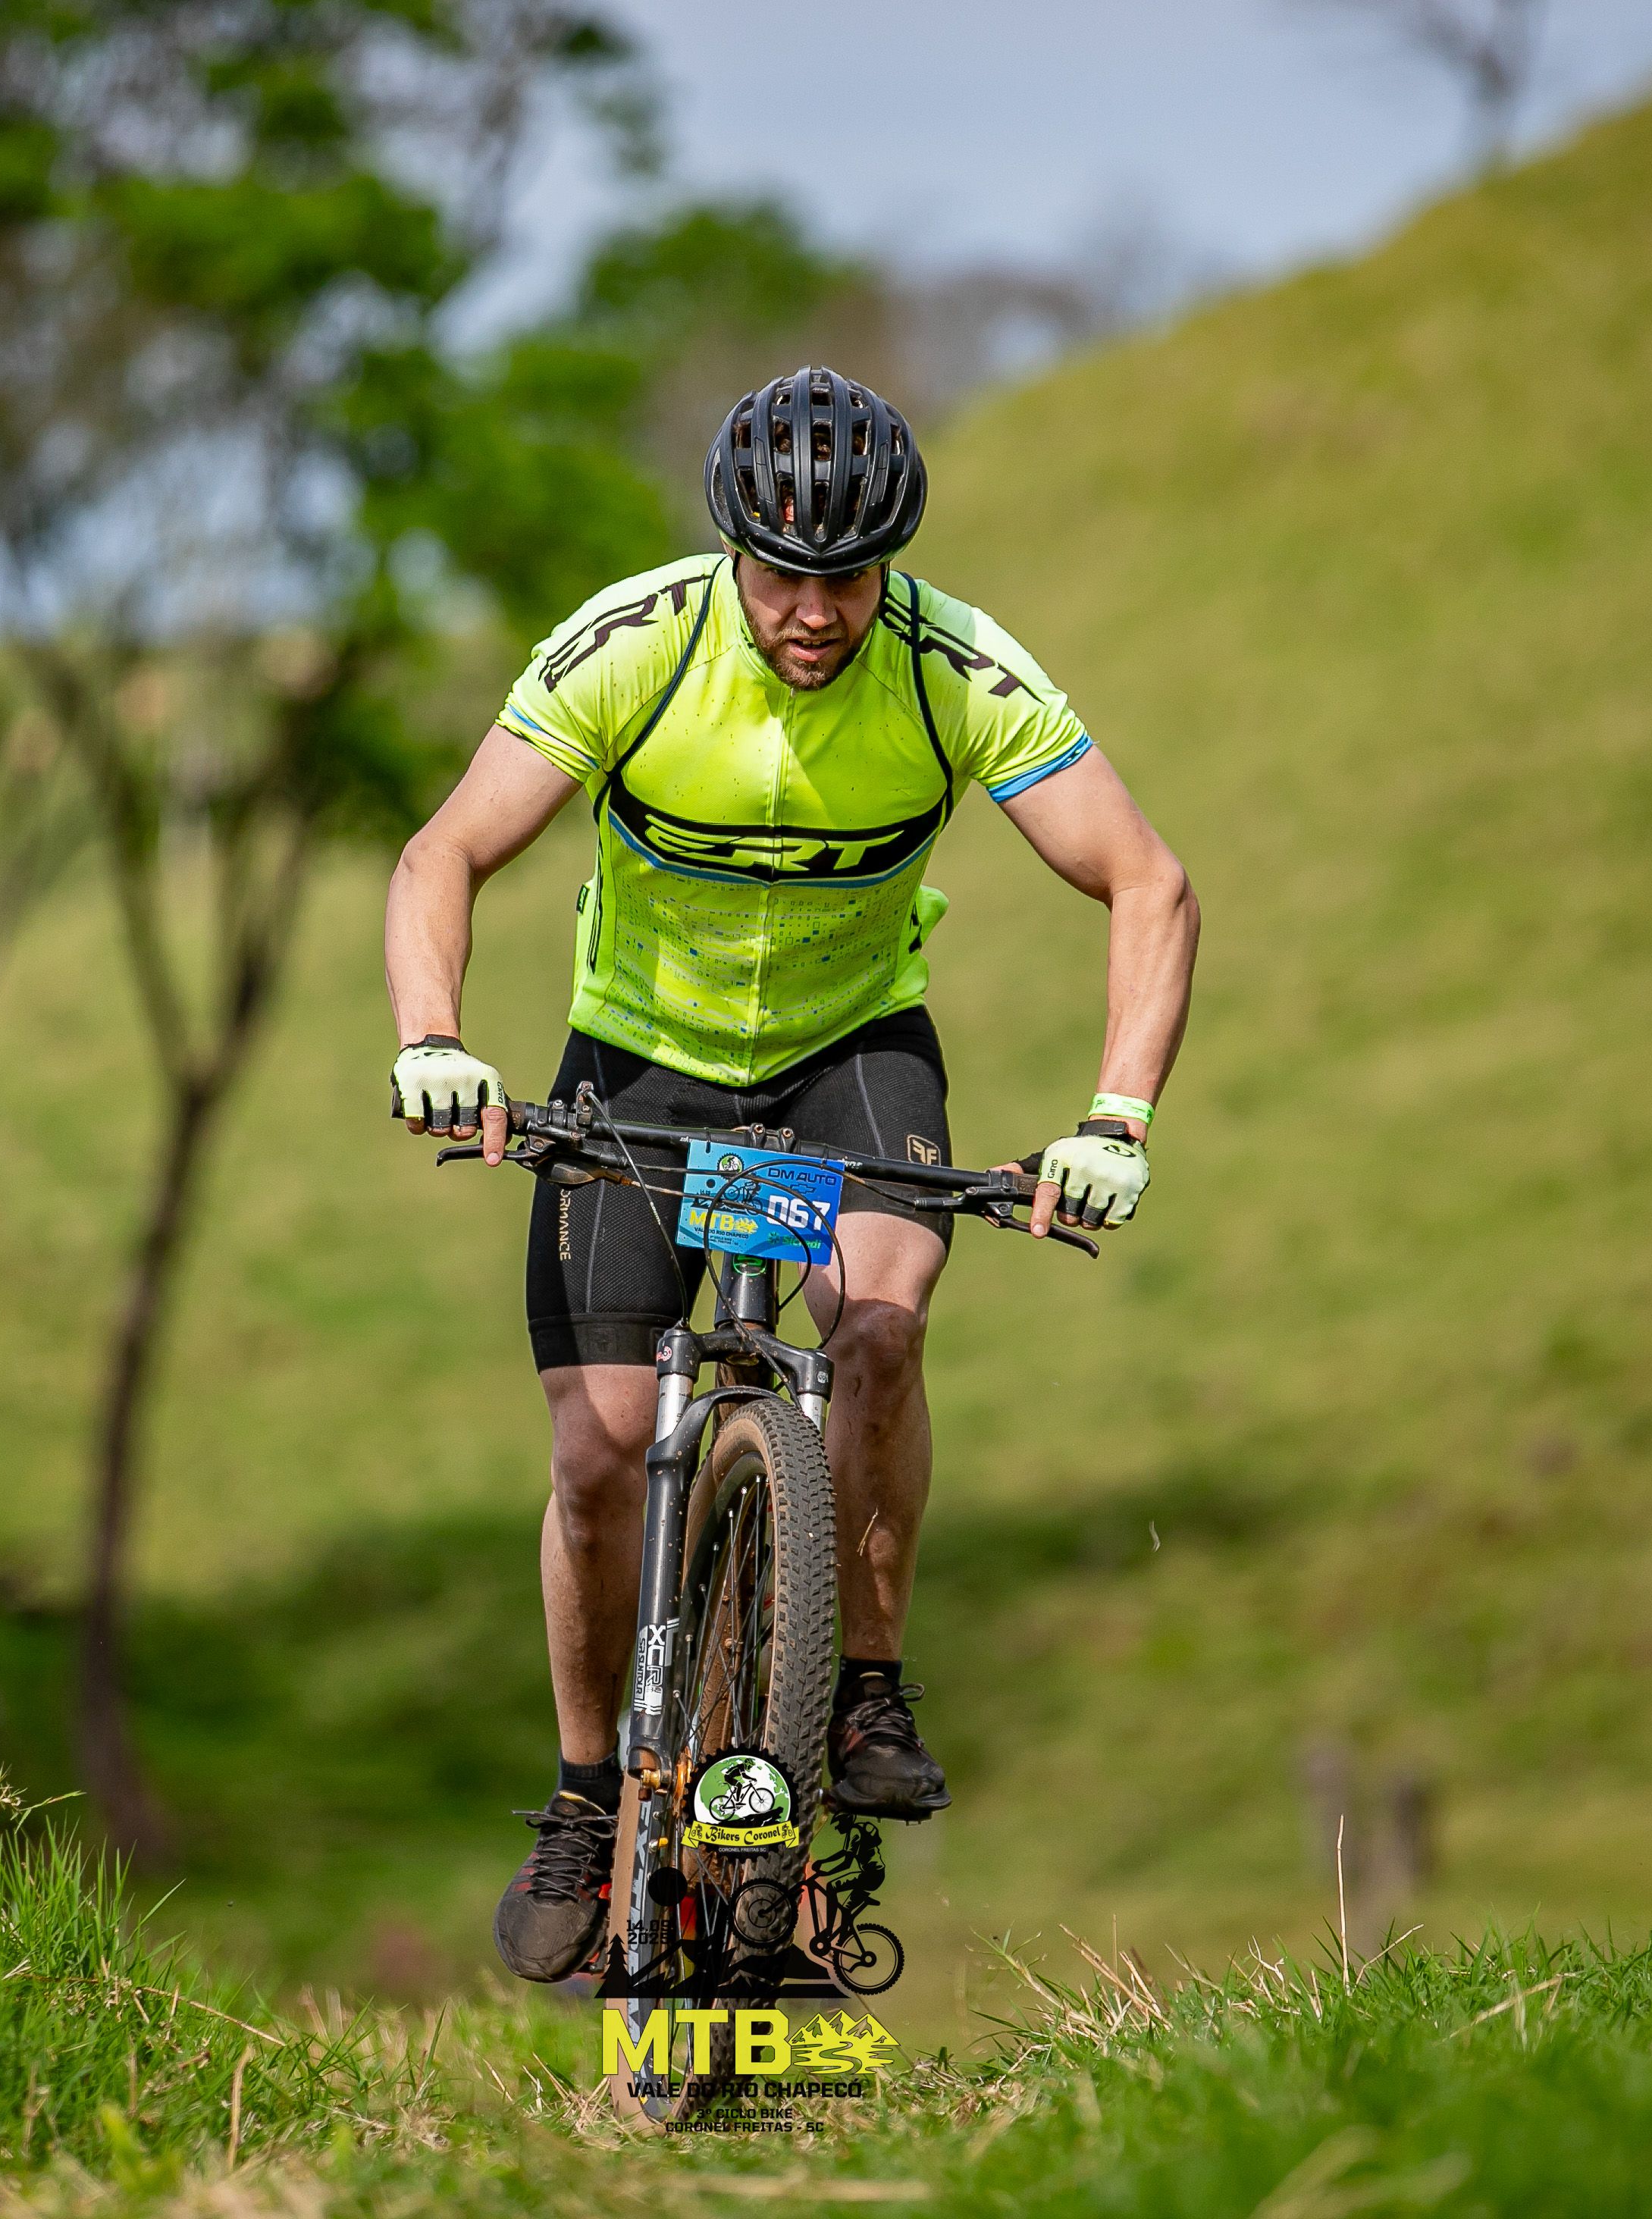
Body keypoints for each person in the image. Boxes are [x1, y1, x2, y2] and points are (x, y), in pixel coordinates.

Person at [381, 367, 1200, 1984]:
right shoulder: (634, 647)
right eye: (782, 576)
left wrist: (1116, 1119)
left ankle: (867, 1687)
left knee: (881, 1325)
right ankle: (586, 1793)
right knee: (600, 1451)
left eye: (850, 577)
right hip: (640, 1059)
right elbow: (442, 853)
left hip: (849, 1056)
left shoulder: (954, 670)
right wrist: (433, 1038)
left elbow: (1148, 881)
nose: (815, 613)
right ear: (730, 552)